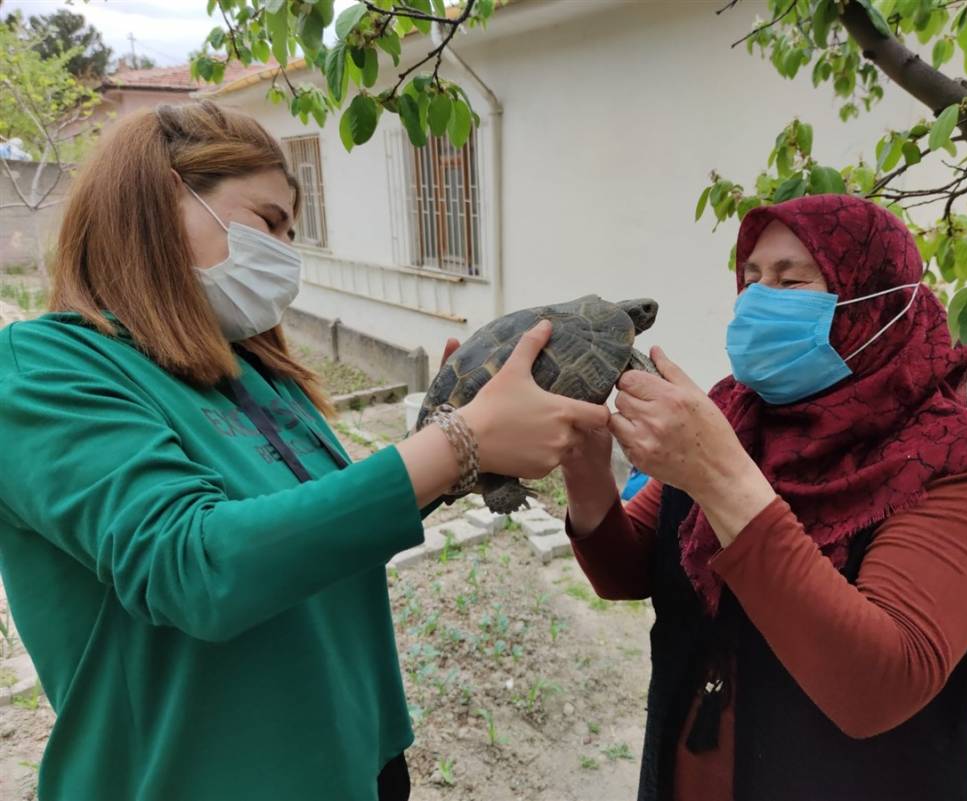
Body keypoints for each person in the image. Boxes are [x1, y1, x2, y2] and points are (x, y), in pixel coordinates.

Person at [0, 101, 608, 801]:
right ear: (164, 197)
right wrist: (454, 445)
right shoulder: (43, 367)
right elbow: (193, 564)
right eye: (267, 222)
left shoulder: (252, 371)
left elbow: (323, 528)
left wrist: (461, 440)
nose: (286, 255)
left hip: (357, 758)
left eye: (294, 233)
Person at [562, 195, 967, 801]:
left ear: (878, 305)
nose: (760, 301)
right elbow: (628, 567)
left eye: (792, 281)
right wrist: (584, 469)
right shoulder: (736, 413)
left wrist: (720, 478)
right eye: (751, 279)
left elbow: (877, 683)